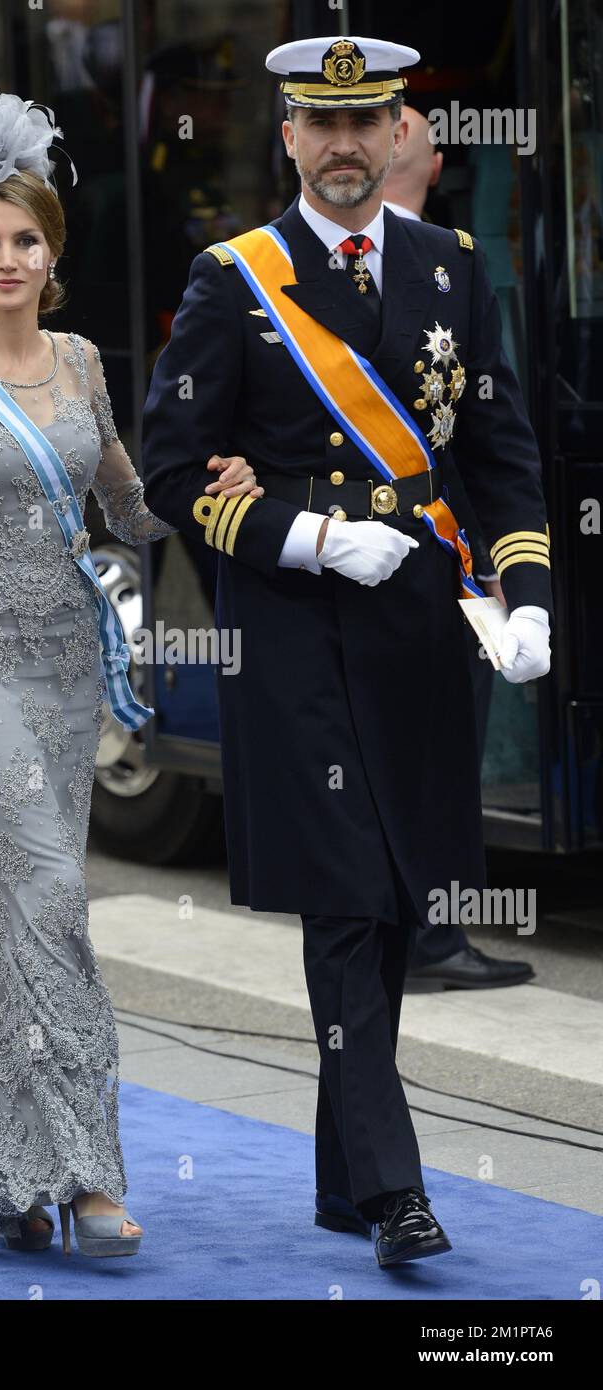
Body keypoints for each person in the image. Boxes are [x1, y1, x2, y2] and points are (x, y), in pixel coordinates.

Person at [141, 35, 552, 1267]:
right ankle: (392, 1192)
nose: (342, 146)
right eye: (318, 126)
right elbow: (169, 469)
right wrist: (307, 535)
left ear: (399, 135)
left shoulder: (450, 267)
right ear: (285, 140)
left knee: (392, 901)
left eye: (364, 121)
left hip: (420, 631)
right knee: (344, 900)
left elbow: (499, 450)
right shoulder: (234, 280)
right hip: (296, 635)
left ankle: (337, 1178)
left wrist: (525, 594)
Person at [0, 90, 260, 1258]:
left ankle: (2, 1174)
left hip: (63, 666)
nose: (4, 259)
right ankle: (89, 1175)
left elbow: (131, 509)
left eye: (23, 240)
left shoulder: (84, 362)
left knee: (10, 915)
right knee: (51, 897)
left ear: (52, 251)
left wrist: (220, 488)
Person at [383, 105, 533, 989]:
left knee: (444, 746)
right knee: (416, 751)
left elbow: (491, 434)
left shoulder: (456, 264)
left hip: (460, 553)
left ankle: (433, 933)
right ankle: (418, 936)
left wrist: (506, 565)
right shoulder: (300, 265)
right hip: (385, 557)